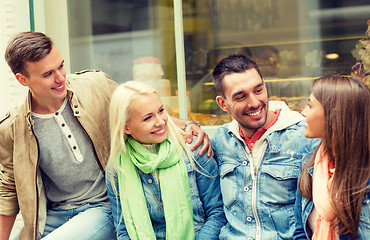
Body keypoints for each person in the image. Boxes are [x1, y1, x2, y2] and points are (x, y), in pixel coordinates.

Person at [0, 31, 211, 240]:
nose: (60, 78)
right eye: (48, 74)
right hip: (53, 215)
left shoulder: (95, 85)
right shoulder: (13, 126)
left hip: (103, 207)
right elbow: (8, 190)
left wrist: (189, 126)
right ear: (22, 80)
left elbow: (138, 110)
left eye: (61, 66)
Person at [210, 54, 319, 239]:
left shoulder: (305, 137)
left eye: (258, 90)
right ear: (223, 104)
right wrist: (190, 126)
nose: (254, 103)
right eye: (240, 96)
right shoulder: (220, 140)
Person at [106, 81, 226, 240]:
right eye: (148, 118)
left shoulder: (194, 150)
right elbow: (123, 230)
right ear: (126, 127)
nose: (161, 121)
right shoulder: (118, 168)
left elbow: (217, 214)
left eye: (161, 110)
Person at [294, 75, 370, 239]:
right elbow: (299, 231)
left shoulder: (365, 177)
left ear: (334, 114)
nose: (303, 112)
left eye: (310, 105)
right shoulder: (310, 164)